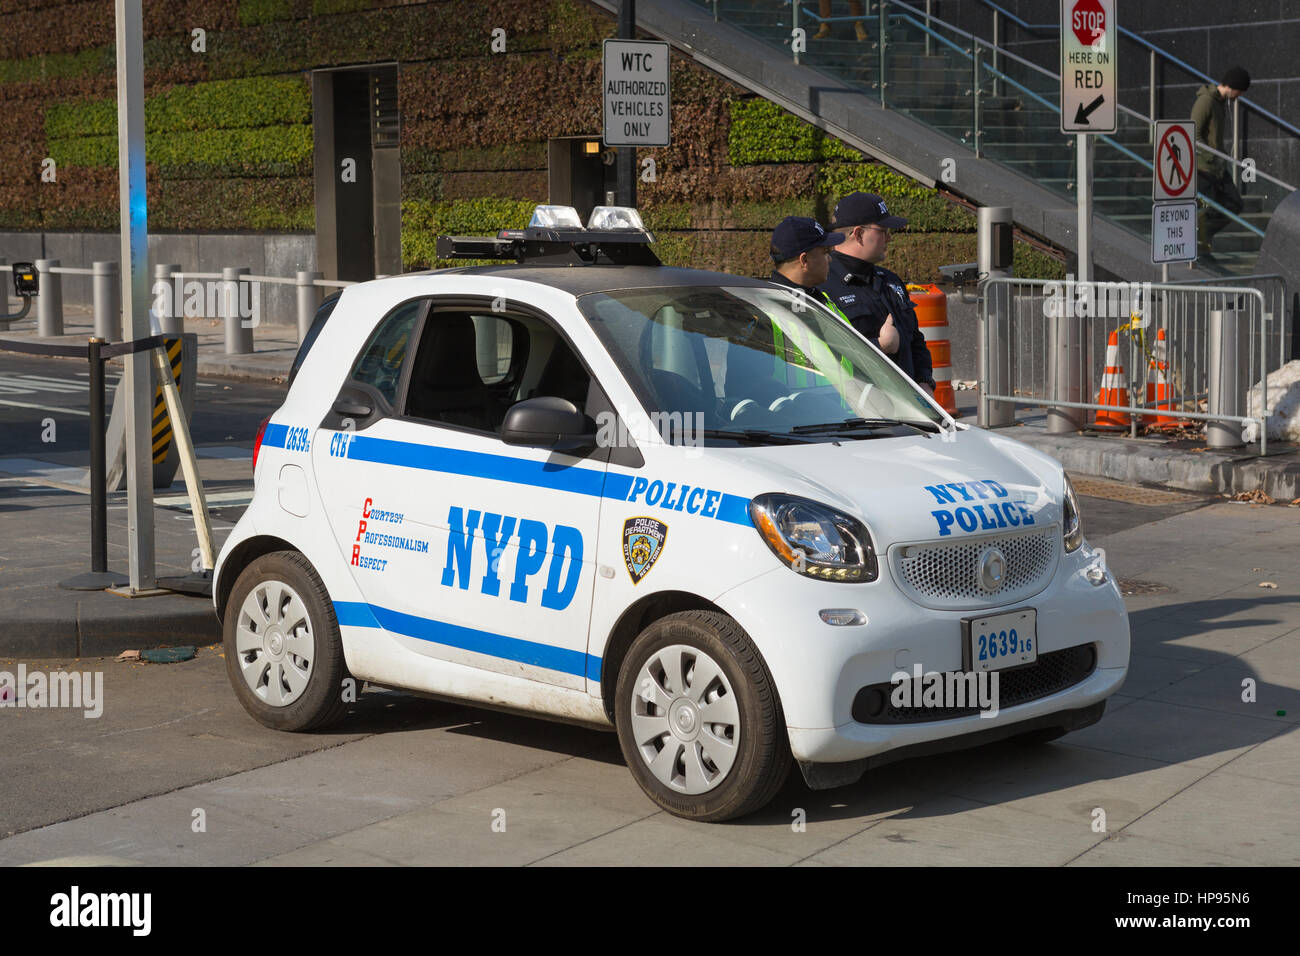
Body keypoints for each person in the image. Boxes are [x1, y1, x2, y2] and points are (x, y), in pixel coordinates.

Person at [822, 192, 934, 394]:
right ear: (858, 234)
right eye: (882, 231)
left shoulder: (890, 280)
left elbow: (915, 339)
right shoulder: (824, 285)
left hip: (907, 408)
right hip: (857, 411)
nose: (889, 238)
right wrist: (879, 346)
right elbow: (822, 355)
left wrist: (924, 381)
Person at [1192, 66, 1250, 259]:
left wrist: (1221, 157)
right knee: (1204, 207)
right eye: (1240, 92)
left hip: (1217, 166)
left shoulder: (1221, 103)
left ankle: (1203, 234)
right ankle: (1201, 246)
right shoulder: (1206, 101)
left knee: (1235, 203)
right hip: (1204, 166)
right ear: (1233, 87)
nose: (1239, 96)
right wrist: (1212, 156)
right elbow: (1194, 134)